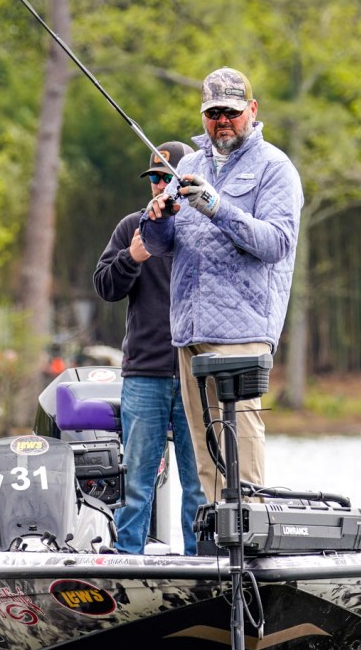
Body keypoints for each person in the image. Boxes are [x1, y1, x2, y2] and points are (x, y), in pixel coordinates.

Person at [140, 67, 304, 503]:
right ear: (203, 116)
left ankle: (250, 530)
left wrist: (217, 205)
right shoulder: (188, 165)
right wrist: (157, 220)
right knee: (204, 450)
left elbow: (276, 243)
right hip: (189, 331)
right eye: (213, 113)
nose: (222, 121)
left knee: (240, 448)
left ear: (252, 110)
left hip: (242, 332)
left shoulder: (275, 168)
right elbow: (162, 247)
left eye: (231, 112)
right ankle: (218, 535)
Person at [93, 140, 208, 555]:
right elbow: (105, 286)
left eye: (167, 178)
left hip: (198, 372)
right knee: (137, 480)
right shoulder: (133, 227)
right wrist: (132, 257)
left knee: (200, 483)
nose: (159, 185)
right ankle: (128, 558)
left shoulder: (205, 226)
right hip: (145, 372)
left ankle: (202, 562)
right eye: (154, 178)